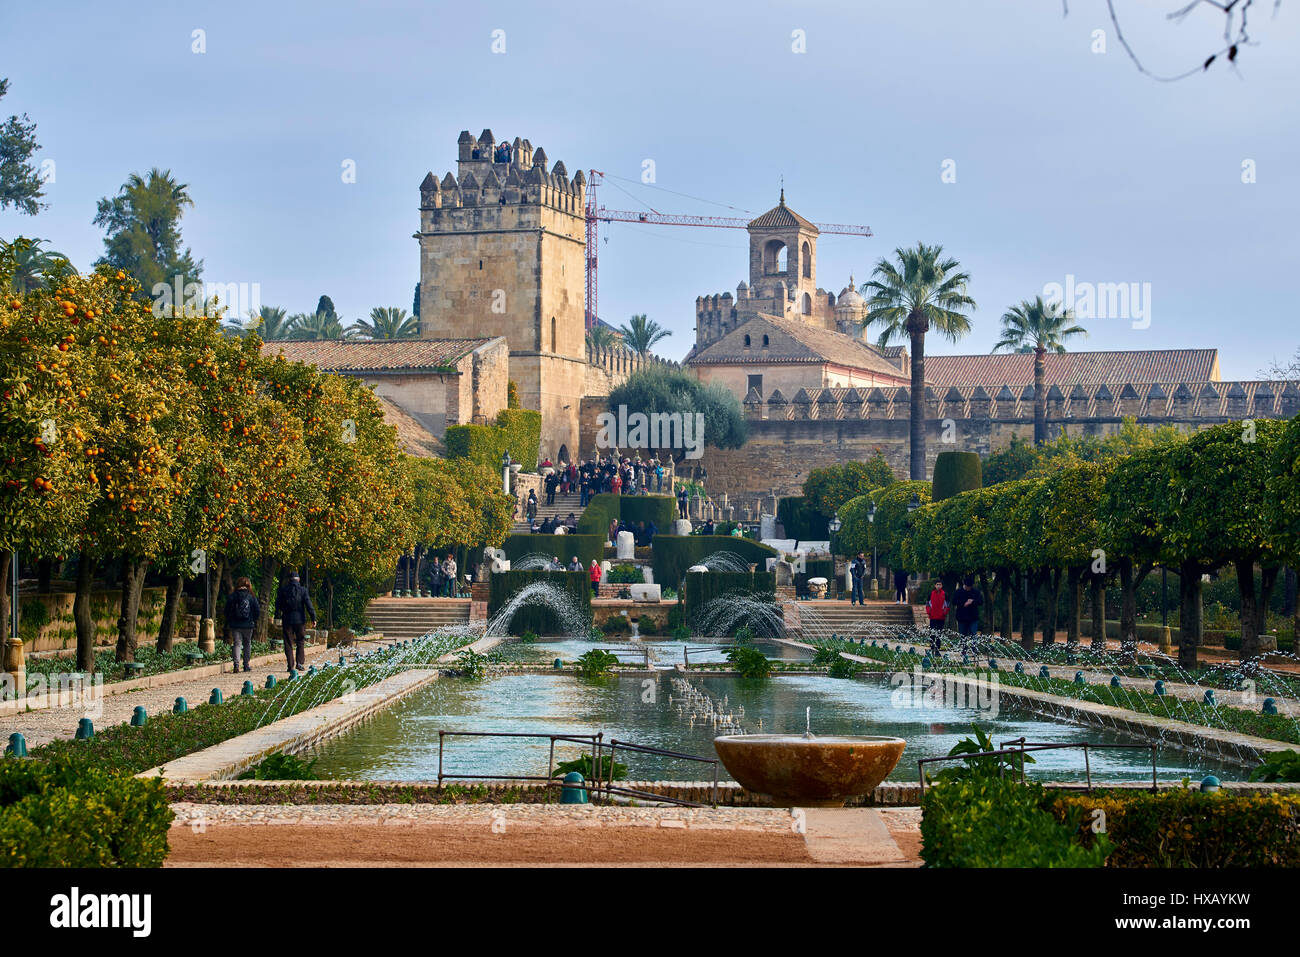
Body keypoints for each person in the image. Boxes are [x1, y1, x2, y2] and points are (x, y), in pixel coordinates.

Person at [275, 571, 316, 673]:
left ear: (289, 580)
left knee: (288, 642)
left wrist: (283, 611)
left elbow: (278, 605)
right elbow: (308, 605)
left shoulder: (283, 590)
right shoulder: (303, 590)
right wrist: (313, 618)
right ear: (298, 580)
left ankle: (290, 665)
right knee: (300, 641)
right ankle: (300, 663)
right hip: (300, 620)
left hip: (287, 619)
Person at [224, 576, 260, 672]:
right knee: (247, 644)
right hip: (248, 624)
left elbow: (227, 610)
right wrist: (253, 620)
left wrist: (230, 620)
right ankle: (246, 665)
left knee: (237, 644)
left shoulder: (232, 596)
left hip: (235, 624)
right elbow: (257, 610)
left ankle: (236, 665)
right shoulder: (251, 596)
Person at [953, 576, 982, 643]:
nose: (969, 588)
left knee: (973, 634)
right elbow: (954, 602)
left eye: (970, 587)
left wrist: (972, 602)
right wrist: (964, 603)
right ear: (964, 585)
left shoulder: (975, 592)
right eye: (967, 587)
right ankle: (964, 650)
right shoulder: (959, 592)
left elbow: (980, 601)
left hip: (973, 617)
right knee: (963, 635)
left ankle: (974, 649)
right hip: (962, 617)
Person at [926, 582, 950, 654]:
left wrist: (944, 613)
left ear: (942, 585)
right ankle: (932, 646)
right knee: (932, 632)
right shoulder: (931, 594)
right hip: (933, 616)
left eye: (940, 585)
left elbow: (948, 605)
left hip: (941, 617)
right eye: (937, 584)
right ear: (935, 585)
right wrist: (929, 612)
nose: (938, 586)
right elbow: (927, 604)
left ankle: (938, 647)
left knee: (939, 632)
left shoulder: (945, 594)